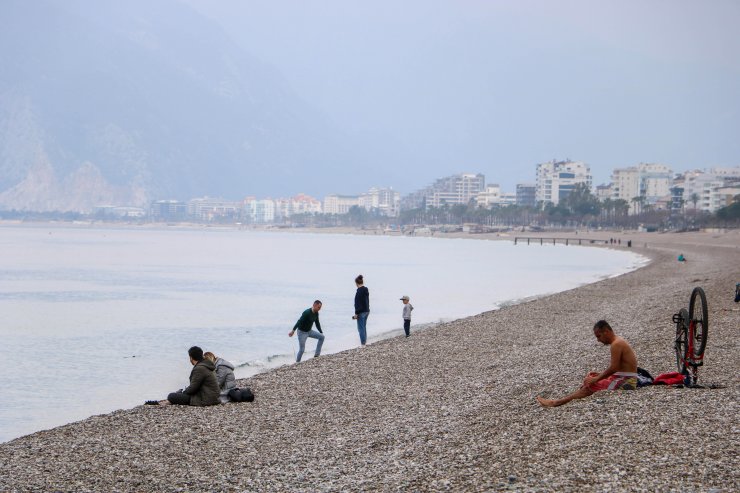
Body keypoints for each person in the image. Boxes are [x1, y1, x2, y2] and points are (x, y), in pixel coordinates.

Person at [537, 320, 638, 408]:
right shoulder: (617, 342)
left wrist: (596, 379)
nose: (598, 340)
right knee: (591, 378)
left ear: (606, 332)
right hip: (623, 377)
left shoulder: (616, 344)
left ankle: (556, 402)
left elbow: (613, 368)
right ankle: (565, 398)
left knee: (591, 384)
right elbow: (618, 368)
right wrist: (598, 375)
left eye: (599, 336)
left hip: (627, 382)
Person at [146, 346, 220, 406]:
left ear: (191, 357)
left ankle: (167, 401)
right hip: (212, 397)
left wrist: (182, 394)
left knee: (171, 396)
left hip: (205, 399)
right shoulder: (207, 365)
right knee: (178, 394)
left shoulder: (200, 368)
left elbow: (193, 388)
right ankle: (168, 401)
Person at [353, 274, 370, 345]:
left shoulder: (359, 292)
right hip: (367, 310)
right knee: (364, 327)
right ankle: (365, 341)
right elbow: (366, 301)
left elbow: (357, 304)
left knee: (361, 328)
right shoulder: (366, 290)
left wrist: (356, 313)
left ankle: (363, 343)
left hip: (361, 312)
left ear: (356, 283)